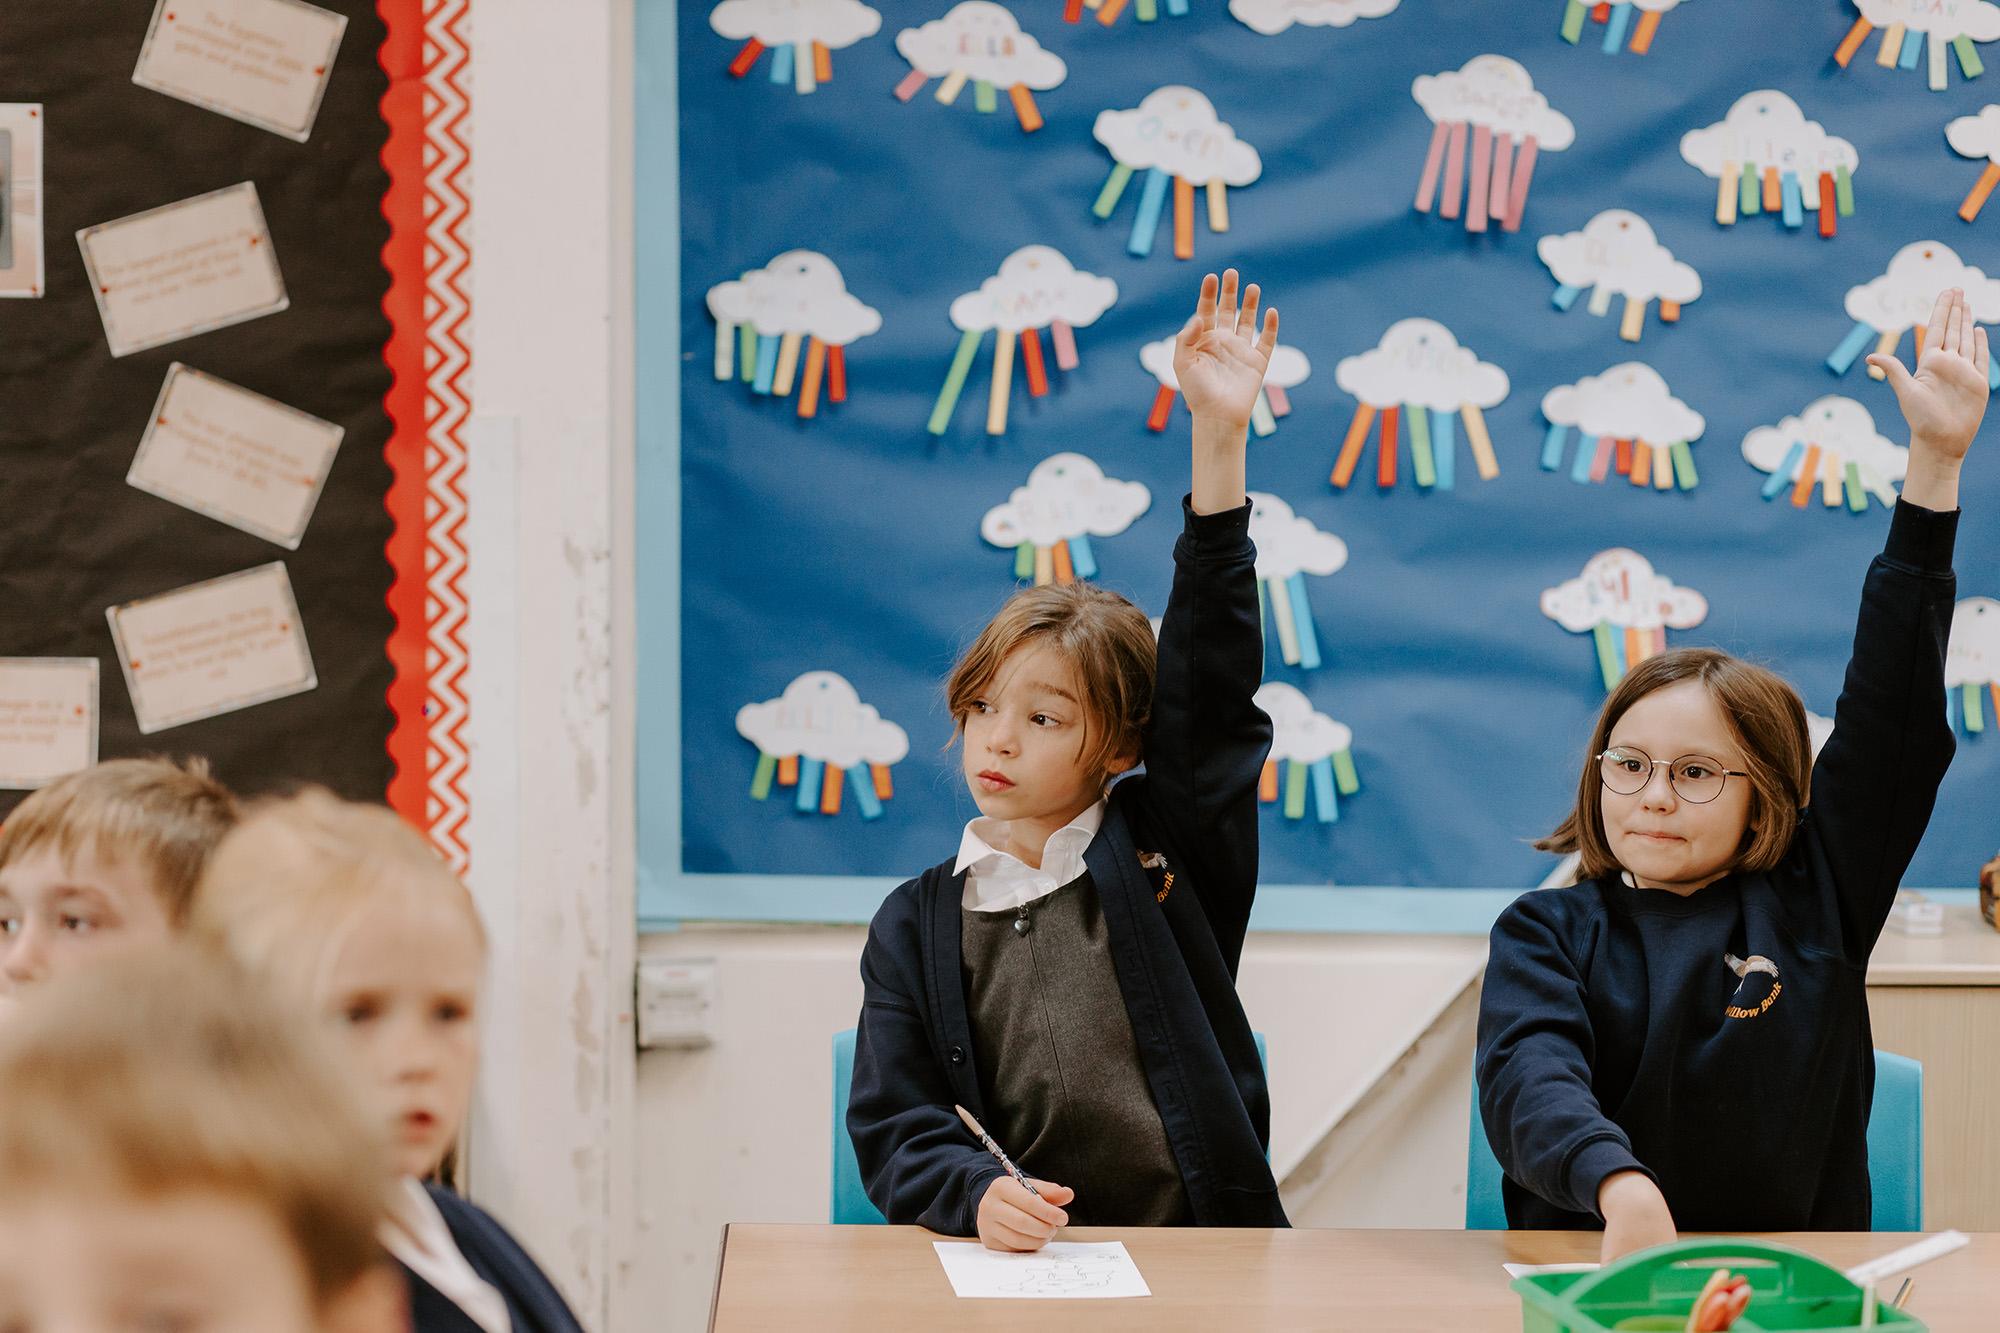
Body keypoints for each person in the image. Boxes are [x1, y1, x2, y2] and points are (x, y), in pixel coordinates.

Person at [1478, 289, 1986, 1261]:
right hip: (1598, 1283)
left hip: (1792, 1289)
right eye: (1629, 764)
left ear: (1764, 796)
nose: (1654, 794)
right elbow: (1528, 1078)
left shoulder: (1817, 902)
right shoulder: (1545, 931)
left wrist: (1933, 467)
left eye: (1697, 771)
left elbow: (1892, 720)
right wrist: (1618, 1184)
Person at [848, 270, 1288, 1250]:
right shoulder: (913, 923)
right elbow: (897, 1124)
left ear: (1123, 745)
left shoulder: (1169, 856)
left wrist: (1218, 439)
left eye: (1044, 718)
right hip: (1022, 1275)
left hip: (1196, 1268)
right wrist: (971, 1191)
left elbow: (1212, 695)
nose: (998, 737)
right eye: (982, 707)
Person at [192, 789, 586, 1333]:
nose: (417, 1060)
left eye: (448, 1013)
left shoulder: (464, 1231)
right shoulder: (260, 1280)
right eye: (358, 1014)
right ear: (239, 1034)